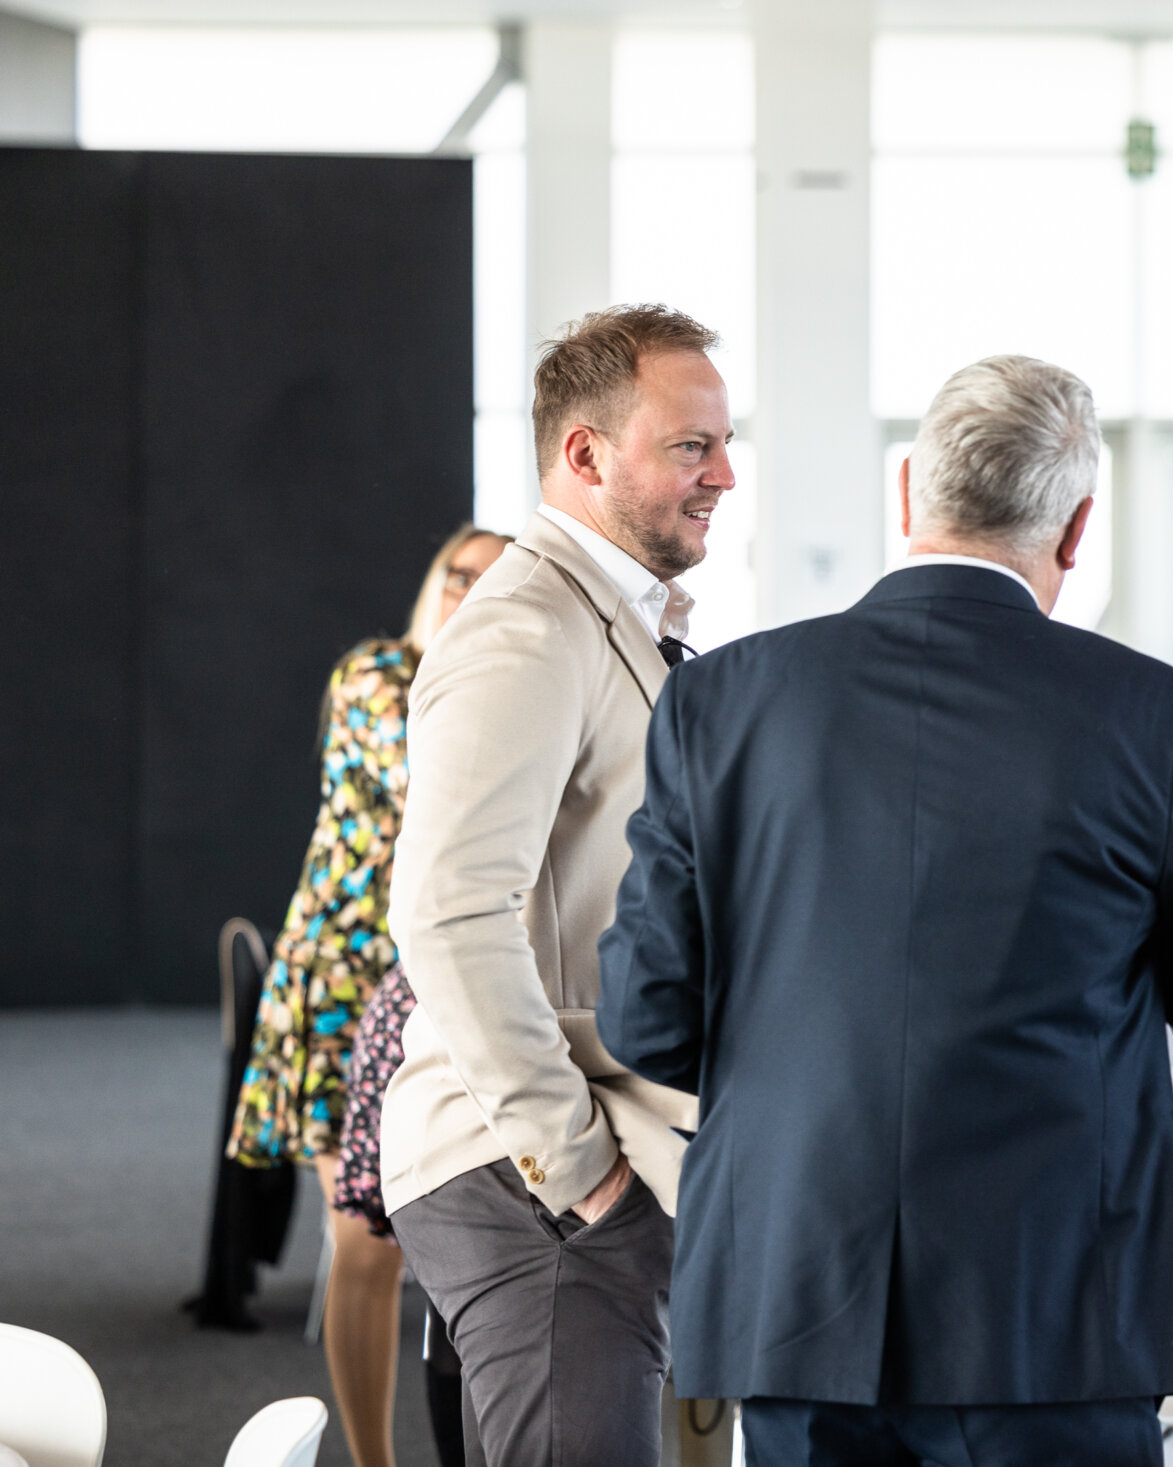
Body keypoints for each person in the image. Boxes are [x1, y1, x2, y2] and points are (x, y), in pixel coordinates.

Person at [596, 354, 1173, 1467]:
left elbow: (645, 1015)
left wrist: (795, 1071)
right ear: (1076, 528)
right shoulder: (1149, 715)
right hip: (1055, 1306)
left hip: (797, 1287)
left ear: (907, 494)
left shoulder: (719, 700)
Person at [381, 304, 733, 1467]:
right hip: (530, 1173)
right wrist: (582, 1177)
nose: (725, 475)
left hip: (573, 1164)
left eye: (725, 445)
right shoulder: (525, 628)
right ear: (585, 455)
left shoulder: (608, 618)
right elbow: (447, 914)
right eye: (691, 447)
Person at [225, 522, 509, 1467]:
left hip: (435, 984)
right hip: (342, 981)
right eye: (456, 573)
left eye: (490, 580)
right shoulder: (378, 675)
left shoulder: (497, 688)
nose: (466, 591)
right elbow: (437, 787)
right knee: (365, 1241)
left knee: (447, 1228)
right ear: (432, 581)